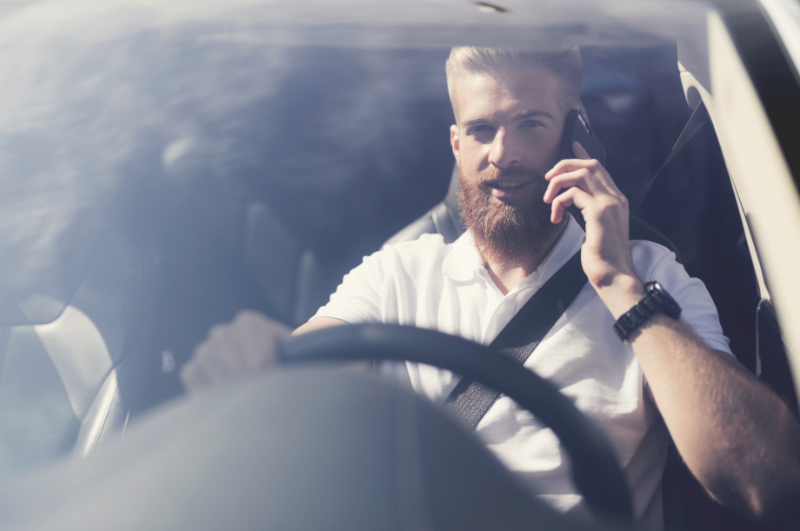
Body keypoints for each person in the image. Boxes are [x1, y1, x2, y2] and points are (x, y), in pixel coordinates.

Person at [180, 47, 800, 527]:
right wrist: (259, 363)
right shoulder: (397, 274)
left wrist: (619, 285)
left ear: (576, 138)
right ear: (456, 144)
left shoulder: (652, 275)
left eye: (530, 123)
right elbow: (298, 384)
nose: (502, 153)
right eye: (481, 130)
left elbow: (764, 482)